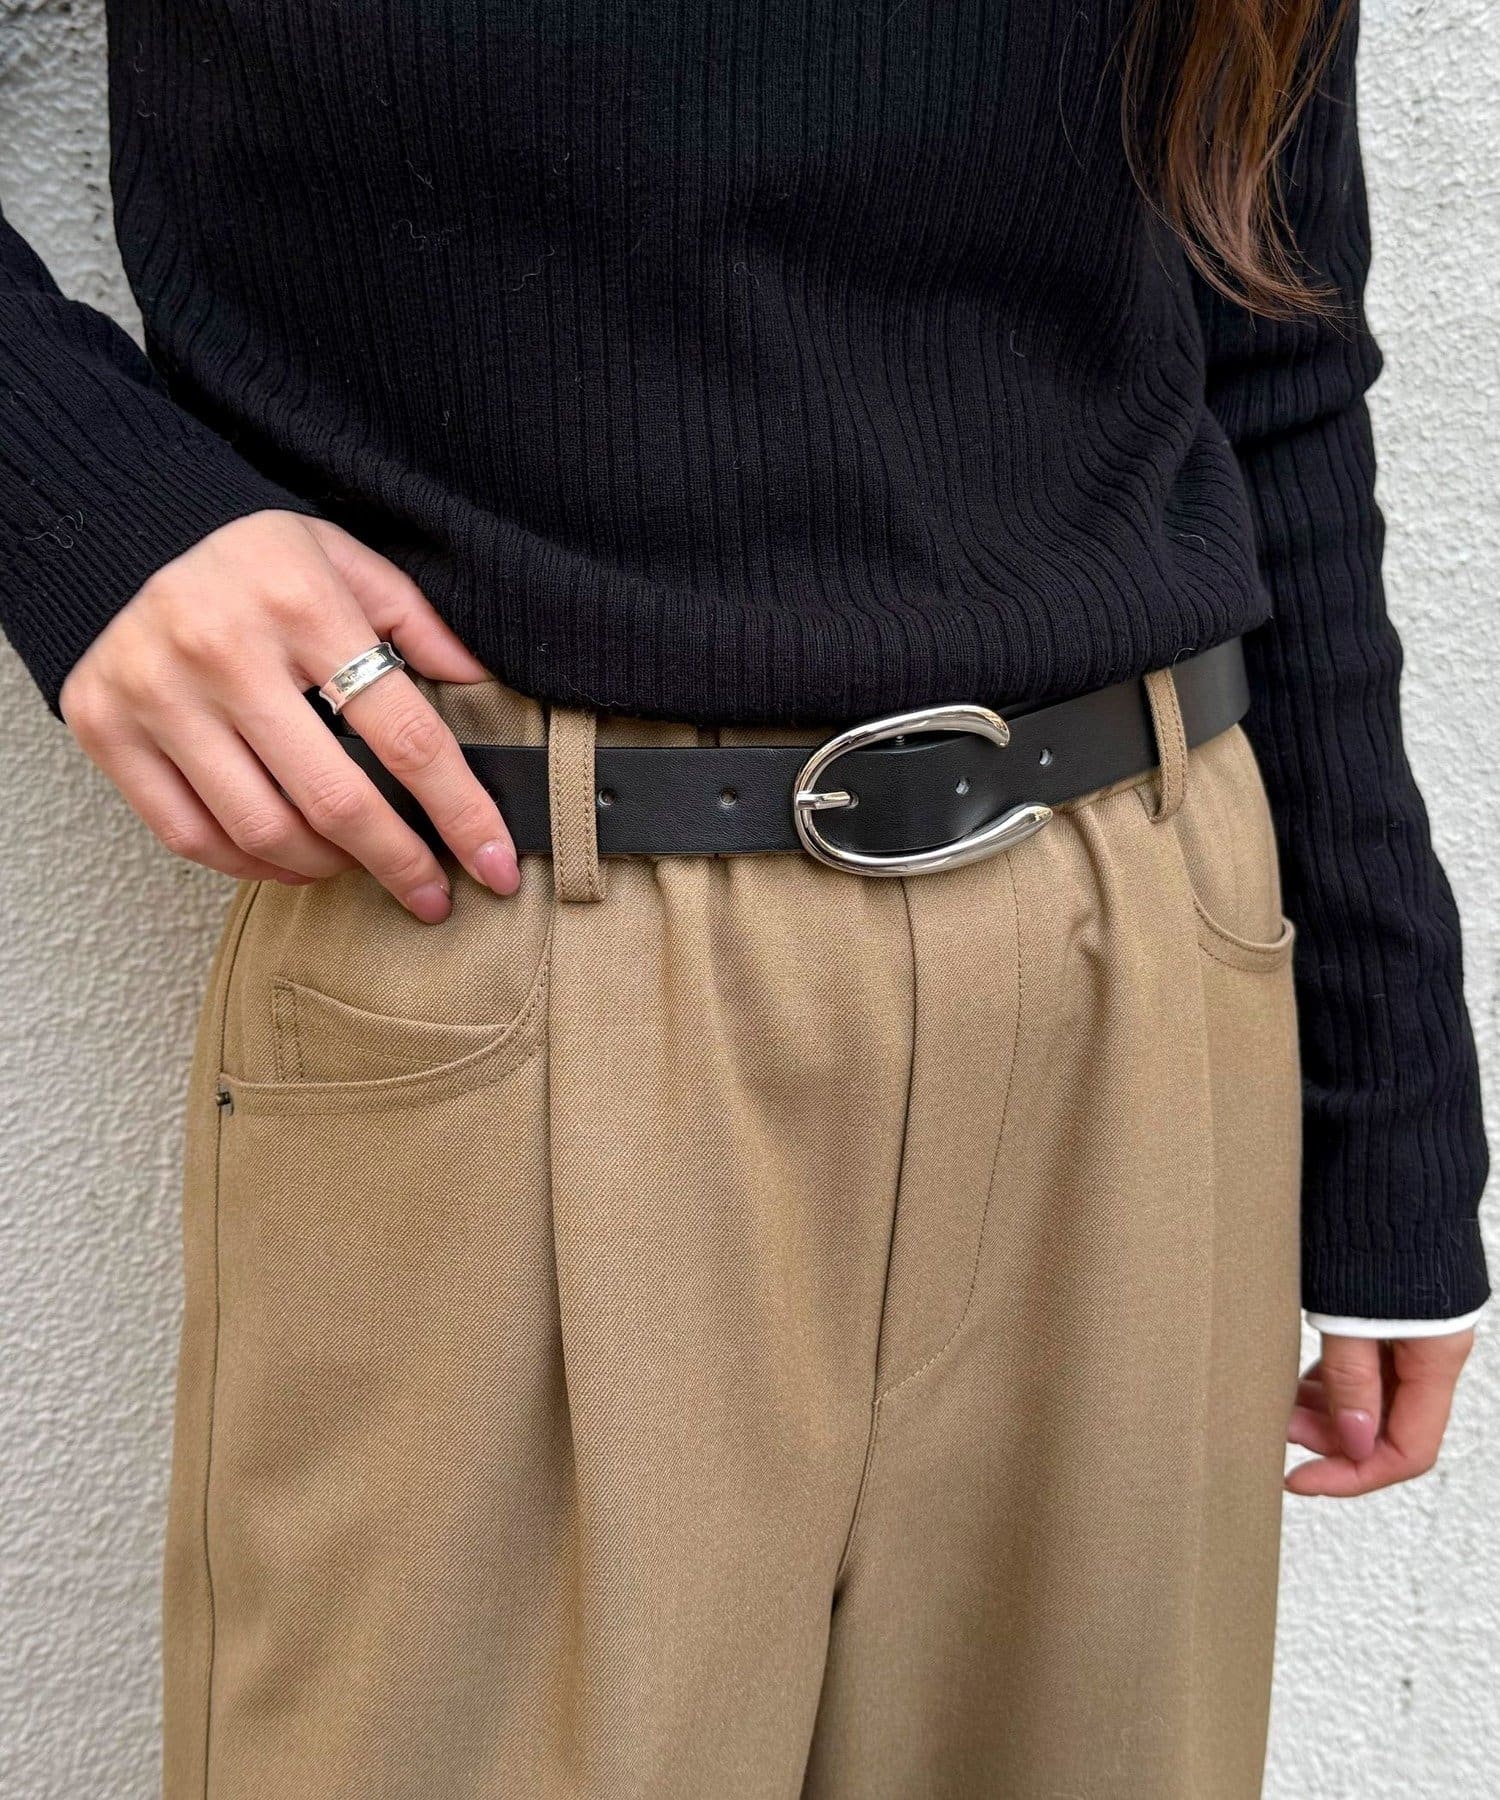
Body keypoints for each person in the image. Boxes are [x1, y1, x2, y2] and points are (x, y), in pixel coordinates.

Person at [0, 1, 1487, 1795]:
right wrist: (72, 491)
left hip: (1142, 961)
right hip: (512, 929)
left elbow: (1270, 328)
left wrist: (1390, 1095)